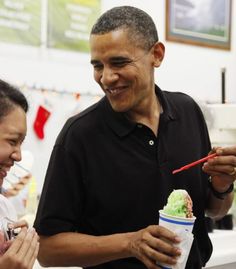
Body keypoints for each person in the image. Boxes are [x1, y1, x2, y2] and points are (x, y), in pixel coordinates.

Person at [34, 6, 236, 269]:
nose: (106, 77)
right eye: (98, 66)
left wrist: (222, 185)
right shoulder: (80, 135)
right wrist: (129, 243)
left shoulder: (188, 112)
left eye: (119, 62)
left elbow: (214, 210)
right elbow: (47, 249)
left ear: (157, 54)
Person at [0, 79, 39, 269]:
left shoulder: (4, 209)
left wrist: (15, 253)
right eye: (13, 141)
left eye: (21, 143)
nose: (18, 155)